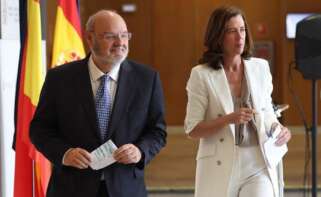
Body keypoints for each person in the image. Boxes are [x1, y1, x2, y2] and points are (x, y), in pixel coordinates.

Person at [30, 10, 166, 197]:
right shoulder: (59, 78)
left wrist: (140, 151)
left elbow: (157, 131)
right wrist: (65, 153)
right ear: (89, 38)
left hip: (125, 188)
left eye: (125, 35)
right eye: (110, 36)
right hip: (71, 188)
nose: (120, 43)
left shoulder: (146, 79)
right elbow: (39, 129)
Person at [184, 6, 291, 197]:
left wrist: (279, 129)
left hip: (258, 160)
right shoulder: (201, 74)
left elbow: (267, 113)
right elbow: (192, 129)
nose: (239, 36)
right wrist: (228, 119)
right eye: (231, 31)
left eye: (242, 30)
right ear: (217, 36)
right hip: (220, 162)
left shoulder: (260, 67)